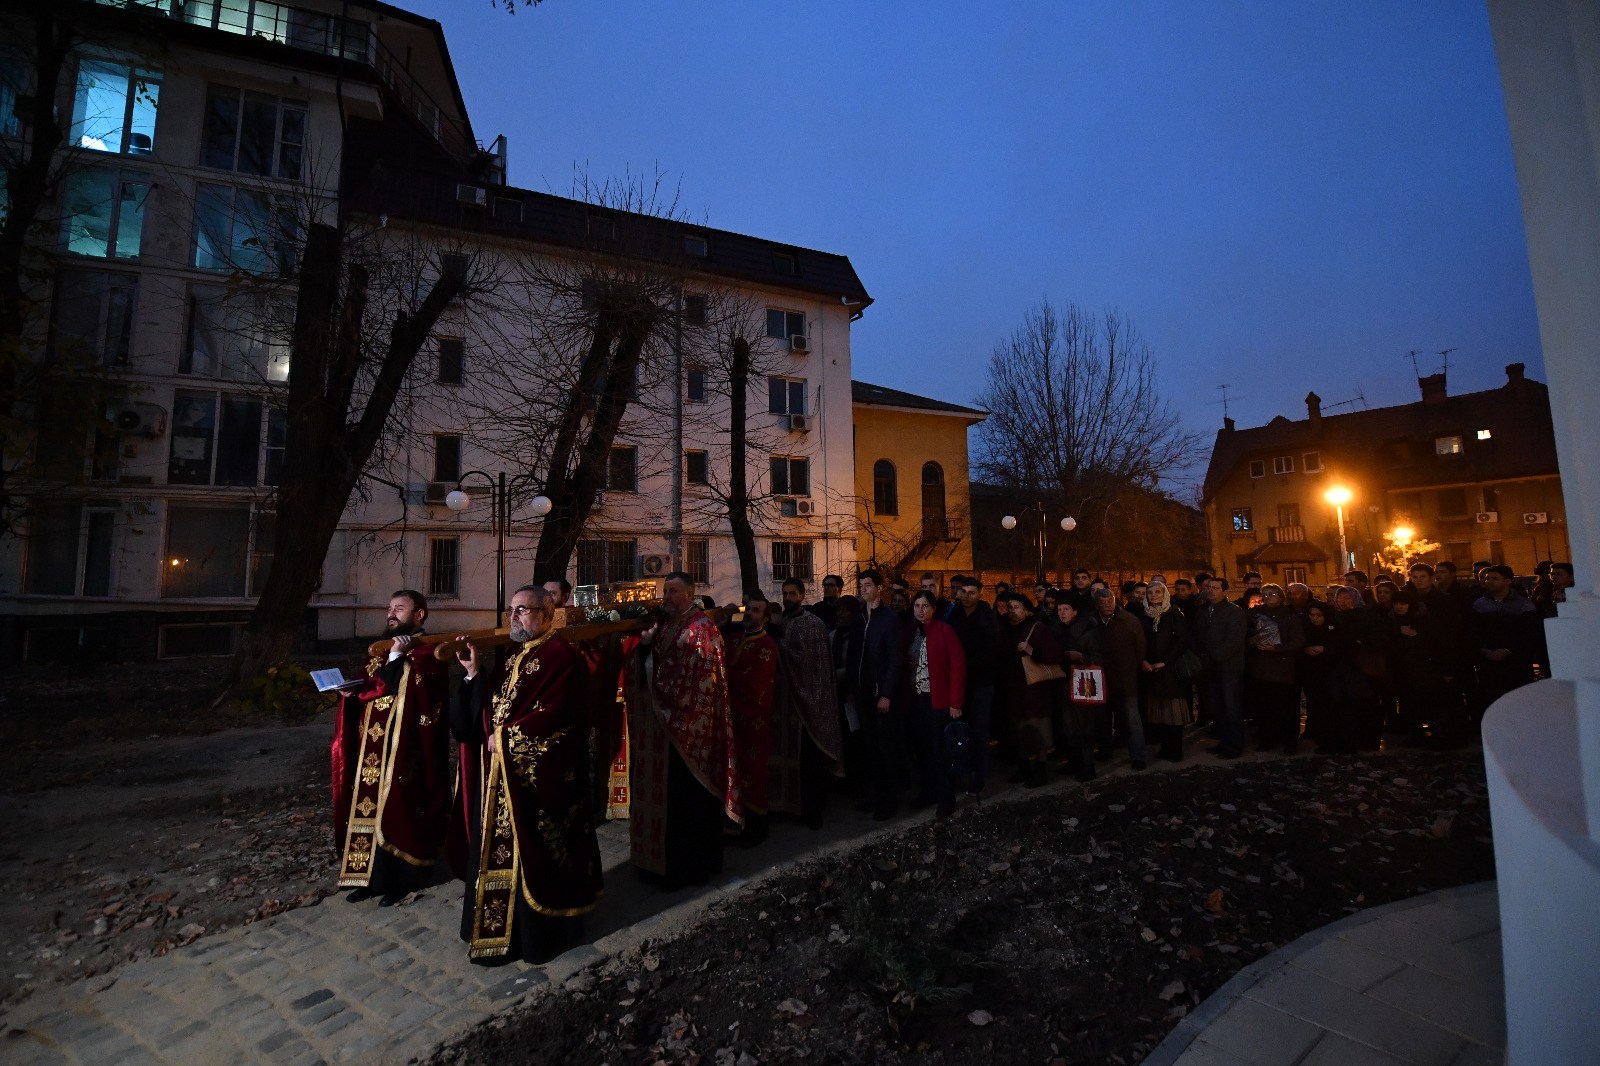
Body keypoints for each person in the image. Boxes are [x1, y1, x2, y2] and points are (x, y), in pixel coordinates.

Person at [450, 585, 601, 963]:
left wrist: (506, 737)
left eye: (524, 610)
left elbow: (560, 713)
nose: (515, 616)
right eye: (512, 610)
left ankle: (536, 937)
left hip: (540, 778)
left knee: (539, 853)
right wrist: (473, 674)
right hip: (503, 774)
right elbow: (497, 705)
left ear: (548, 614)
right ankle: (499, 932)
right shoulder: (516, 652)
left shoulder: (561, 656)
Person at [332, 590, 452, 903]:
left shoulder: (429, 652)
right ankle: (371, 878)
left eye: (399, 608)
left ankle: (405, 877)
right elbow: (371, 689)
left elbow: (419, 693)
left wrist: (399, 661)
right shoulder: (383, 652)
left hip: (406, 750)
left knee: (400, 810)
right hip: (372, 747)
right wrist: (352, 694)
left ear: (419, 615)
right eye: (389, 607)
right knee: (369, 811)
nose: (391, 613)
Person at [626, 572, 740, 887]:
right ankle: (656, 864)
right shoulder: (665, 626)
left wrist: (656, 669)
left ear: (690, 593)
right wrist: (645, 647)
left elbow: (700, 680)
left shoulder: (703, 629)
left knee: (687, 803)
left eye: (673, 591)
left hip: (690, 733)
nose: (666, 597)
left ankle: (687, 869)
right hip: (661, 731)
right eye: (666, 591)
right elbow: (649, 664)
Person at [770, 579, 843, 829]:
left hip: (809, 702)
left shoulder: (812, 624)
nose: (788, 598)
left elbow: (812, 665)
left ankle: (813, 811)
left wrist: (777, 644)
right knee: (788, 757)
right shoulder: (784, 622)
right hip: (786, 704)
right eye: (784, 593)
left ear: (802, 595)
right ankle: (788, 806)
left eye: (792, 593)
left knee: (809, 762)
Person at [901, 590, 967, 817]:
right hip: (915, 698)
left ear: (933, 608)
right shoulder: (910, 632)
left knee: (940, 751)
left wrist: (955, 702)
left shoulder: (945, 631)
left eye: (925, 605)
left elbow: (958, 667)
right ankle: (927, 791)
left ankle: (945, 797)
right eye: (917, 605)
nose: (920, 610)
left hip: (938, 699)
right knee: (921, 749)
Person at [726, 592, 779, 847]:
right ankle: (734, 821)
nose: (750, 614)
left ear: (765, 618)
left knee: (753, 772)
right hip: (732, 719)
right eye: (749, 610)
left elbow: (756, 685)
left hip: (752, 721)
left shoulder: (767, 645)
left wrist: (725, 681)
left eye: (756, 611)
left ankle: (757, 826)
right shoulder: (735, 639)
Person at [998, 592, 1063, 787]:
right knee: (1019, 730)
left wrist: (1032, 651)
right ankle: (1024, 766)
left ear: (1026, 611)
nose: (1012, 611)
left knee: (1039, 728)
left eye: (1016, 607)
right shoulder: (1006, 629)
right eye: (1010, 607)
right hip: (1014, 689)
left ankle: (1041, 768)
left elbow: (1054, 655)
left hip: (1034, 690)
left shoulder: (1038, 629)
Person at [856, 569, 906, 821]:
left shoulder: (889, 619)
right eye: (861, 585)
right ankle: (875, 795)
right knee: (871, 748)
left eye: (867, 585)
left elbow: (895, 660)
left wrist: (886, 693)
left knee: (886, 748)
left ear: (878, 587)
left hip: (881, 694)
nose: (863, 589)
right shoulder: (861, 617)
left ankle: (889, 800)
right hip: (864, 692)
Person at [947, 576, 1001, 797]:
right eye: (963, 592)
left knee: (979, 731)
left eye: (971, 592)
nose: (967, 596)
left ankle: (979, 777)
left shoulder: (987, 617)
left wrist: (967, 665)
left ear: (980, 593)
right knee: (960, 729)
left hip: (980, 682)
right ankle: (962, 772)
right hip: (960, 681)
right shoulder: (955, 614)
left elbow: (991, 650)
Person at [1089, 586, 1149, 770]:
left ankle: (1137, 756)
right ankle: (1105, 750)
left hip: (1125, 678)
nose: (1107, 605)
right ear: (1097, 605)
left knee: (1131, 719)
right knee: (1102, 719)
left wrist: (1132, 666)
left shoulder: (1130, 621)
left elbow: (1141, 648)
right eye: (1103, 603)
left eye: (1110, 601)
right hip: (1100, 679)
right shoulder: (1091, 622)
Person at [1247, 584, 1306, 754]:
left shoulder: (1290, 616)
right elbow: (1248, 635)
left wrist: (1278, 649)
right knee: (1265, 707)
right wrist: (1253, 640)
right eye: (1264, 594)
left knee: (1287, 707)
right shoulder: (1256, 614)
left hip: (1283, 669)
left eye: (1272, 594)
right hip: (1262, 668)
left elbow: (1298, 640)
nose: (1268, 597)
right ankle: (1268, 739)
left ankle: (1289, 742)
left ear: (1281, 597)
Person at [1472, 564, 1542, 706]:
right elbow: (1473, 632)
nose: (1489, 581)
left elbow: (1529, 633)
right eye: (1487, 578)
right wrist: (1484, 650)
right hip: (1488, 664)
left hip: (1516, 665)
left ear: (1508, 581)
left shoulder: (1523, 605)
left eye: (1494, 578)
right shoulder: (1479, 605)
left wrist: (1507, 650)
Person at [1195, 576, 1248, 759]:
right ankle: (1224, 742)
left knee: (1232, 707)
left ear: (1224, 591)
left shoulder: (1234, 612)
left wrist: (1215, 656)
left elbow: (1234, 640)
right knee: (1219, 708)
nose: (1211, 590)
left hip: (1229, 668)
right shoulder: (1205, 611)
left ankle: (1235, 746)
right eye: (1209, 587)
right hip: (1212, 669)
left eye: (1216, 588)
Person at [1139, 582, 1191, 762]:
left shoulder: (1173, 614)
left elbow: (1182, 641)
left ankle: (1175, 750)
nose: (1154, 595)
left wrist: (1165, 662)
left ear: (1165, 594)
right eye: (1150, 592)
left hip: (1171, 670)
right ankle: (1164, 748)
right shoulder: (1143, 615)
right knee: (1159, 712)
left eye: (1158, 592)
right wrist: (1143, 660)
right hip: (1151, 670)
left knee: (1173, 712)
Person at [1051, 599, 1099, 780]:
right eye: (1059, 609)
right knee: (1068, 724)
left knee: (1084, 723)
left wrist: (1081, 656)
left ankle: (1088, 766)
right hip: (1063, 680)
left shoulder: (1089, 629)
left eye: (1066, 608)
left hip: (1083, 681)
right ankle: (1074, 761)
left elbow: (1099, 656)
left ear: (1075, 611)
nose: (1062, 613)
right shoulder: (1056, 628)